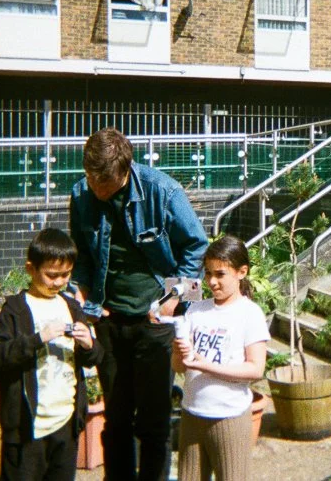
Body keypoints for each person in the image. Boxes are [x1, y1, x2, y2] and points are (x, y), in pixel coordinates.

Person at [69, 127, 208, 481]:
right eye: (90, 179)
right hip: (108, 319)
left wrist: (175, 300)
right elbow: (82, 254)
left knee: (154, 421)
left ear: (125, 171)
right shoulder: (81, 194)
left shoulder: (163, 190)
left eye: (105, 184)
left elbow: (197, 247)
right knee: (115, 419)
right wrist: (84, 296)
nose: (96, 190)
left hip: (155, 322)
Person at [0, 228, 103, 481]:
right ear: (31, 269)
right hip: (27, 428)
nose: (59, 282)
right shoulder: (16, 309)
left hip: (65, 422)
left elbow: (94, 356)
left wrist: (89, 344)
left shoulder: (70, 306)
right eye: (51, 275)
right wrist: (38, 339)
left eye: (66, 275)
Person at [172, 235, 270, 481]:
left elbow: (255, 369)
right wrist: (177, 352)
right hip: (192, 412)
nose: (212, 282)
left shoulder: (250, 313)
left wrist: (206, 365)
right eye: (207, 274)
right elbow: (180, 367)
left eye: (220, 274)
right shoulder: (196, 310)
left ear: (241, 272)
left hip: (229, 416)